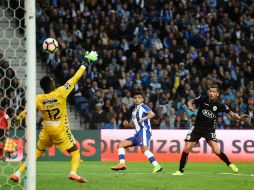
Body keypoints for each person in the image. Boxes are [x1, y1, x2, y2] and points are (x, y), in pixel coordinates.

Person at [10, 51, 98, 183]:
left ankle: (17, 173)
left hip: (46, 130)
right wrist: (85, 62)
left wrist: (18, 118)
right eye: (52, 81)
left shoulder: (39, 98)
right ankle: (73, 172)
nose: (54, 82)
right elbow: (75, 78)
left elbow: (27, 111)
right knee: (75, 152)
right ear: (50, 85)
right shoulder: (60, 92)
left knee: (37, 153)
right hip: (59, 130)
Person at [172, 83, 249, 176]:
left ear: (217, 94)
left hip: (209, 130)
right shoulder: (203, 99)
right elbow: (190, 102)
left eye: (213, 92)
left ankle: (230, 164)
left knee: (216, 151)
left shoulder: (220, 105)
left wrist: (240, 118)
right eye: (210, 91)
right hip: (197, 128)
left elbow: (232, 114)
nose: (211, 93)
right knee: (186, 149)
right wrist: (190, 107)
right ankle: (180, 171)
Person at [111, 91, 162, 173]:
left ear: (142, 99)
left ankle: (156, 166)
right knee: (121, 144)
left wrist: (144, 119)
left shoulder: (143, 106)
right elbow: (135, 123)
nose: (137, 99)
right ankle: (122, 164)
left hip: (144, 131)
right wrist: (128, 124)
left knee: (144, 149)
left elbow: (152, 114)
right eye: (135, 98)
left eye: (139, 98)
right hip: (137, 134)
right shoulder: (134, 110)